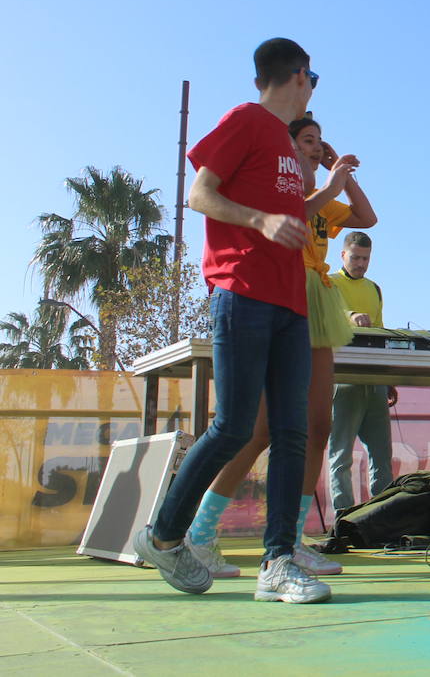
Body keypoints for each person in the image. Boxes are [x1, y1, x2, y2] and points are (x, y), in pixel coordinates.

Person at [133, 37, 330, 603]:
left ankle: (278, 563)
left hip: (292, 303)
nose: (313, 89)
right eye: (313, 79)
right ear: (300, 76)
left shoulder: (290, 150)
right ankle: (164, 535)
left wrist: (325, 193)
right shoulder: (245, 120)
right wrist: (260, 221)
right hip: (241, 292)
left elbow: (295, 211)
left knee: (291, 432)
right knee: (235, 426)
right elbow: (199, 195)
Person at [178, 115, 375, 581]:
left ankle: (288, 539)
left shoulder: (323, 197)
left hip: (317, 300)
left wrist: (340, 172)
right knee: (258, 428)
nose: (316, 148)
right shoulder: (288, 192)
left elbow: (367, 219)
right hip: (280, 294)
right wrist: (327, 183)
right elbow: (295, 211)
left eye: (320, 143)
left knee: (318, 424)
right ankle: (199, 533)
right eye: (307, 141)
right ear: (286, 149)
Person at [327, 231, 397, 513]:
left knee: (382, 455)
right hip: (343, 379)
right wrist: (351, 316)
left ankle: (382, 518)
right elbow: (331, 315)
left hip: (374, 379)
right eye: (355, 257)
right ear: (343, 255)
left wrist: (388, 378)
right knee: (341, 455)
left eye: (365, 258)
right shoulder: (328, 283)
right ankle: (344, 520)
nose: (361, 263)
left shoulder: (375, 289)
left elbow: (380, 334)